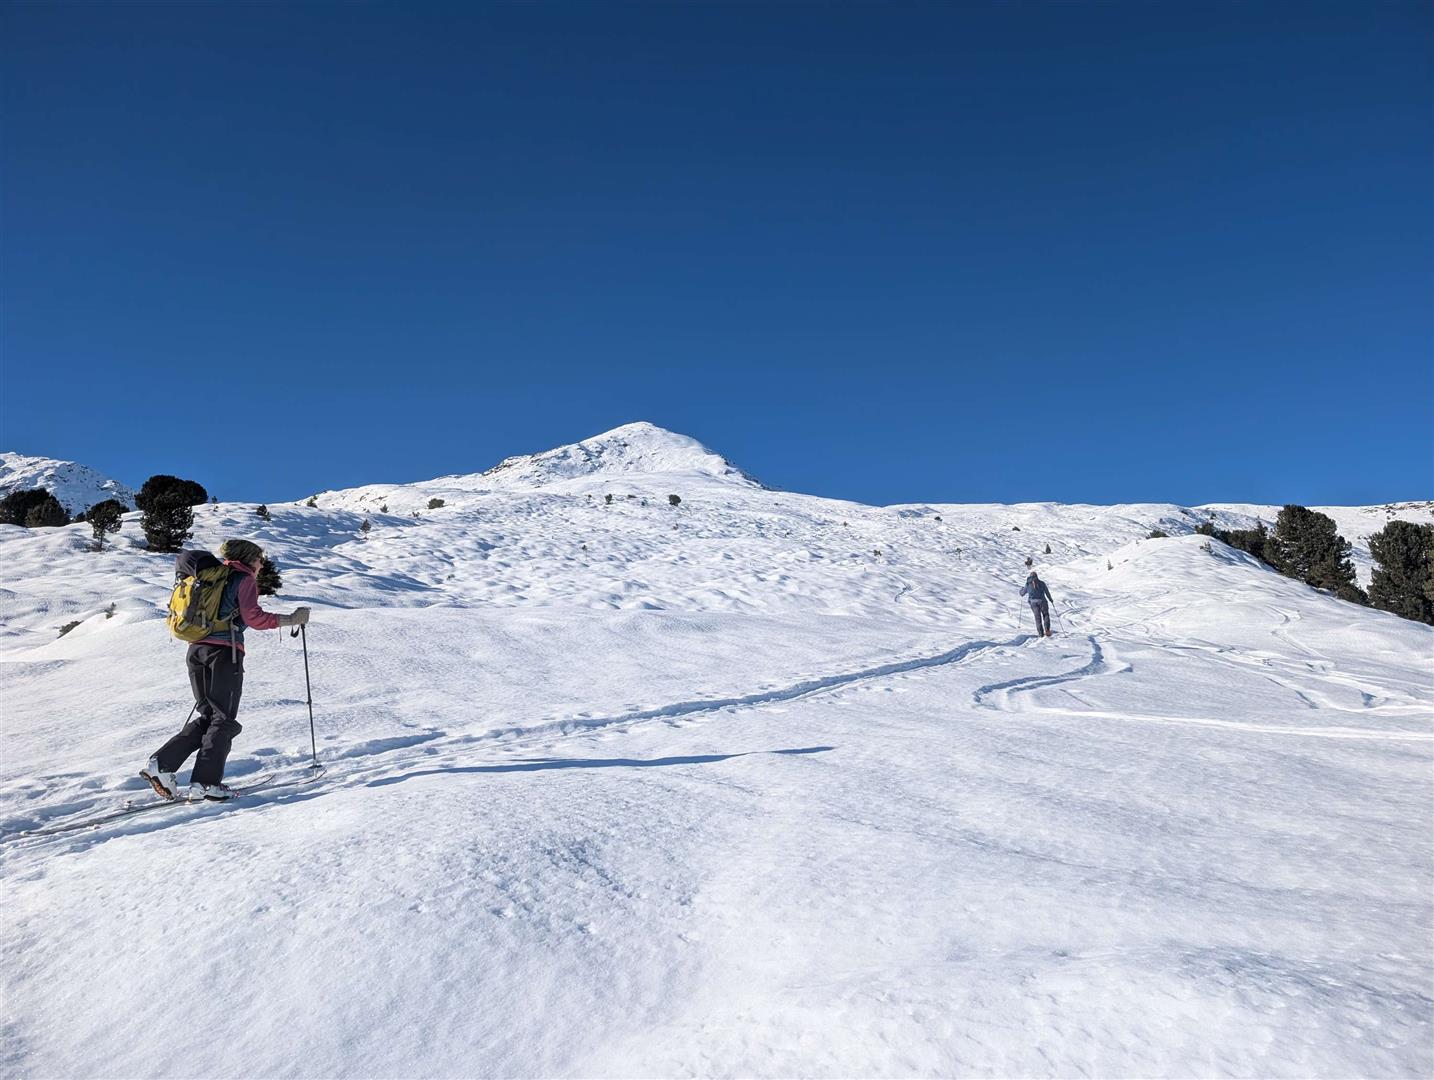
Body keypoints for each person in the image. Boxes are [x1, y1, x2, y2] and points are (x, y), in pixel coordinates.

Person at [140, 539, 310, 801]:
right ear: (248, 559)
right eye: (259, 559)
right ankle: (206, 784)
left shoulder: (207, 577)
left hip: (195, 651)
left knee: (210, 715)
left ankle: (161, 765)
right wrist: (291, 620)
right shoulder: (242, 579)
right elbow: (254, 618)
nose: (261, 564)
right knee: (223, 718)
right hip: (224, 652)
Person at [1020, 570, 1054, 637]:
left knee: (1037, 618)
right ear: (1037, 576)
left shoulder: (1028, 585)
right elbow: (1047, 592)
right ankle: (1047, 630)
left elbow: (1022, 593)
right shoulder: (1042, 583)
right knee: (1046, 615)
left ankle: (1041, 633)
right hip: (1042, 601)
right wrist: (1051, 600)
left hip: (1033, 603)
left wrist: (1021, 589)